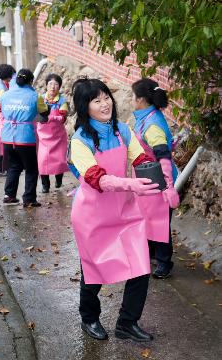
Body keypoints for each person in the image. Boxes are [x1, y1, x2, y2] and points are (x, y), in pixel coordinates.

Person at [69, 77, 161, 342]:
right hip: (93, 216)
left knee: (141, 266)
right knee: (94, 272)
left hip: (125, 212)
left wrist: (156, 177)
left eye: (106, 97)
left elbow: (139, 157)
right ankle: (89, 317)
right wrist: (132, 184)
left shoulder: (122, 130)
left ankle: (127, 323)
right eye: (96, 101)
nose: (104, 104)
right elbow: (98, 179)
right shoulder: (80, 141)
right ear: (85, 107)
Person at [131, 78, 180, 279]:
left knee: (159, 223)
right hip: (149, 179)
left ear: (142, 99)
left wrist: (169, 186)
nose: (131, 100)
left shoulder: (151, 124)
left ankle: (164, 263)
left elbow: (163, 156)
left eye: (133, 96)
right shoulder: (148, 116)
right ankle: (153, 254)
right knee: (149, 219)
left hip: (159, 180)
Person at [0, 68, 49, 207]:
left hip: (8, 136)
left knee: (14, 166)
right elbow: (44, 112)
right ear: (31, 81)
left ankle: (9, 195)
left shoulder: (5, 95)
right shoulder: (34, 96)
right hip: (25, 137)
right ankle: (29, 199)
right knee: (31, 168)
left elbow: (0, 110)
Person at [37, 73, 68, 193]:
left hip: (58, 136)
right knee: (43, 160)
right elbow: (36, 116)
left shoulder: (62, 101)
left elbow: (63, 118)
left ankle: (58, 180)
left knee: (59, 160)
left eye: (56, 84)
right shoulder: (40, 99)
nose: (53, 87)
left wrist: (53, 118)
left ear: (59, 87)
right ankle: (45, 185)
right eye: (50, 84)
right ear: (46, 85)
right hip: (43, 137)